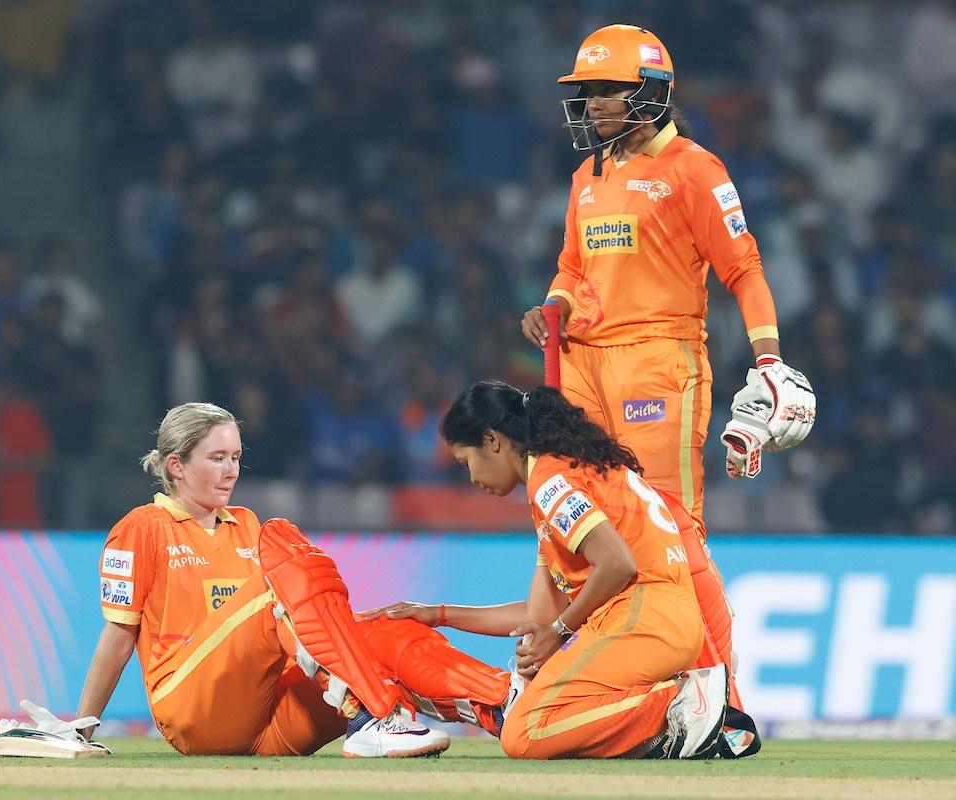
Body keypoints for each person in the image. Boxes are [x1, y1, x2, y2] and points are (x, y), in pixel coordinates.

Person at [518, 24, 816, 697]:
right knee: (575, 517)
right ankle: (590, 678)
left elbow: (744, 269)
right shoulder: (587, 174)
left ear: (650, 93)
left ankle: (723, 694)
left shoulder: (694, 168)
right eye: (586, 91)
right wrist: (551, 306)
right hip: (581, 362)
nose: (592, 104)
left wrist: (768, 360)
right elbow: (572, 267)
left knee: (670, 523)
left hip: (659, 362)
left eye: (606, 90)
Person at [72, 402, 490, 758]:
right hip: (193, 710)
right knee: (282, 559)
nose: (231, 471)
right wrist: (81, 729)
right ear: (175, 466)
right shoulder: (143, 527)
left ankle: (502, 702)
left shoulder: (245, 524)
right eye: (217, 458)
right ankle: (373, 715)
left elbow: (290, 630)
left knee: (381, 634)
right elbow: (119, 634)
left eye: (235, 457)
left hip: (267, 715)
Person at [366, 380, 731, 759]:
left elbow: (617, 564)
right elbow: (536, 614)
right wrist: (438, 614)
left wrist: (559, 632)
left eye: (465, 462)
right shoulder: (564, 471)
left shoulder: (549, 481)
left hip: (643, 619)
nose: (472, 478)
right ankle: (674, 715)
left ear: (493, 441)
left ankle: (681, 706)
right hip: (659, 618)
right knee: (533, 722)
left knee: (525, 731)